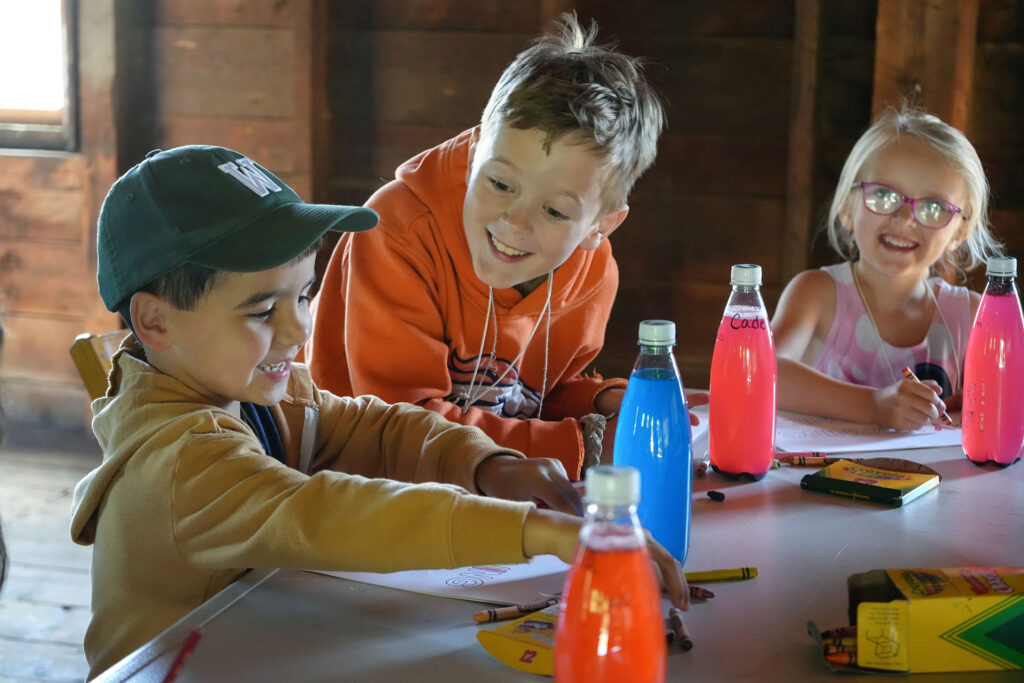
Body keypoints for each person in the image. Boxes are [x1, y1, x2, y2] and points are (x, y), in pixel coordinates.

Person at [69, 145, 687, 679]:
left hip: (256, 646)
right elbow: (326, 514)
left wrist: (489, 466)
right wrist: (538, 530)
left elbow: (377, 426)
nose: (297, 330)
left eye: (303, 294)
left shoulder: (253, 390)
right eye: (262, 311)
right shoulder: (179, 462)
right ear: (154, 321)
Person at [306, 13, 690, 480]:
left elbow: (530, 396)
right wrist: (584, 447)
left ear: (601, 226)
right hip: (354, 485)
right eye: (500, 183)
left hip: (479, 491)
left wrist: (605, 401)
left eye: (554, 211)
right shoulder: (398, 232)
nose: (514, 221)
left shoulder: (593, 275)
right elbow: (402, 429)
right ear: (472, 158)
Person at [771, 106, 1003, 430]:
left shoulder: (973, 315)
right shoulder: (816, 294)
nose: (905, 218)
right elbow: (764, 370)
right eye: (883, 195)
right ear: (847, 208)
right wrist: (873, 406)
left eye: (934, 207)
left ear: (959, 233)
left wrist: (989, 398)